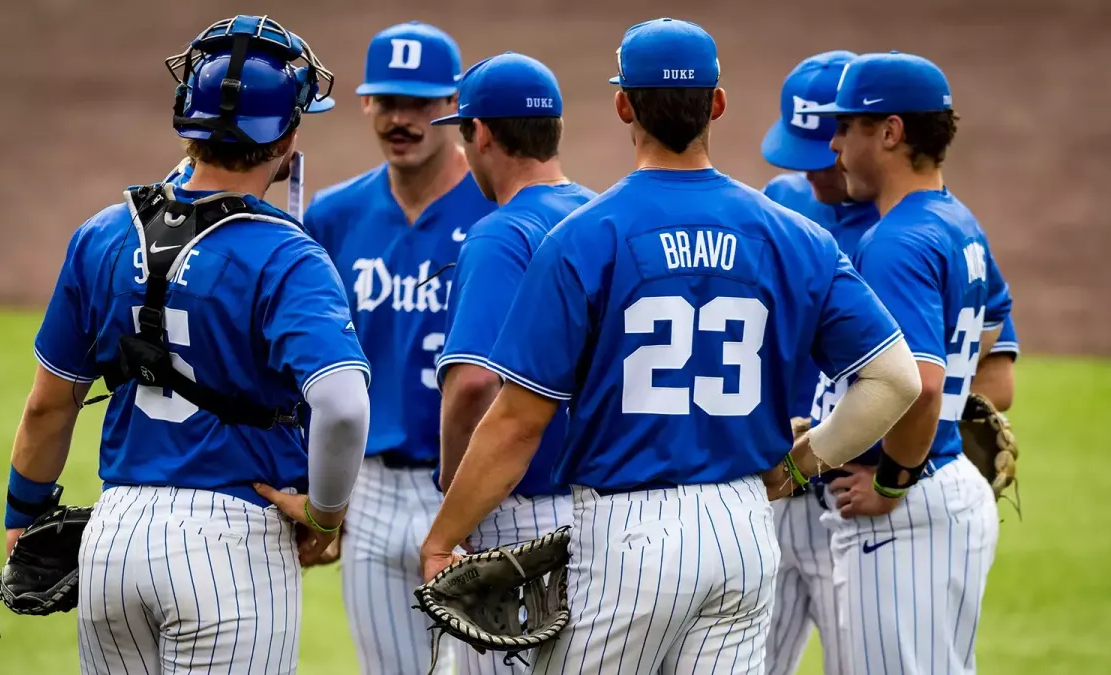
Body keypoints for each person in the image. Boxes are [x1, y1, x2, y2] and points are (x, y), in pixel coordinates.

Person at [420, 18, 924, 674]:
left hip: (627, 536)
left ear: (624, 104)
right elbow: (896, 380)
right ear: (717, 103)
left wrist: (442, 538)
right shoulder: (793, 235)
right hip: (744, 526)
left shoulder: (583, 237)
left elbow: (516, 424)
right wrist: (804, 462)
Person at [2, 15, 370, 673]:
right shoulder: (288, 255)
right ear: (289, 136)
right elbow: (342, 407)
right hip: (231, 545)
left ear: (185, 122)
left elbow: (46, 406)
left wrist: (21, 516)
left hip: (114, 536)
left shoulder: (103, 236)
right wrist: (323, 515)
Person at [807, 51, 1013, 674]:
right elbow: (991, 336)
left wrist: (895, 478)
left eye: (848, 127)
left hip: (904, 508)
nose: (836, 145)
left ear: (890, 132)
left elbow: (919, 387)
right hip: (946, 493)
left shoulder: (896, 242)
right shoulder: (957, 221)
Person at [303, 20, 495, 675]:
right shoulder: (334, 215)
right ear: (364, 104)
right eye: (387, 101)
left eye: (420, 103)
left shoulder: (497, 211)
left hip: (478, 486)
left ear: (455, 106)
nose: (401, 118)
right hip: (373, 487)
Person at [430, 51, 597, 674]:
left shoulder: (503, 234)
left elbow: (473, 384)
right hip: (612, 515)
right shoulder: (601, 217)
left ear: (481, 134)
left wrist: (456, 489)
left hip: (519, 517)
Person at [757, 49, 876, 675]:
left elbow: (981, 367)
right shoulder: (777, 204)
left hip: (850, 501)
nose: (815, 175)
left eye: (826, 153)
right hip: (770, 493)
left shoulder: (903, 229)